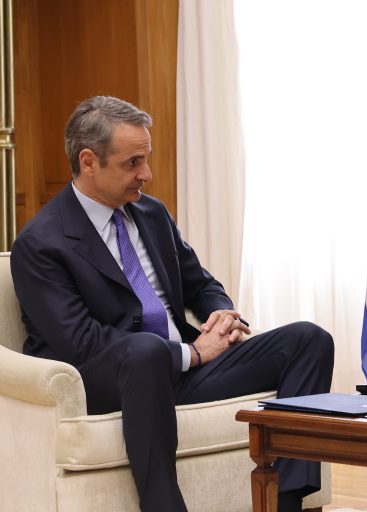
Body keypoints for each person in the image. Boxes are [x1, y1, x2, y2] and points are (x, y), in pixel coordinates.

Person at [10, 96, 334, 512]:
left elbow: (201, 284)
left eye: (146, 159)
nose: (146, 174)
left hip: (180, 370)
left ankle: (284, 502)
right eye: (133, 163)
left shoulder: (151, 213)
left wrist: (221, 314)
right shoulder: (41, 243)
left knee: (309, 339)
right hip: (108, 380)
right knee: (144, 351)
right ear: (89, 161)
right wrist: (192, 353)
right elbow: (82, 343)